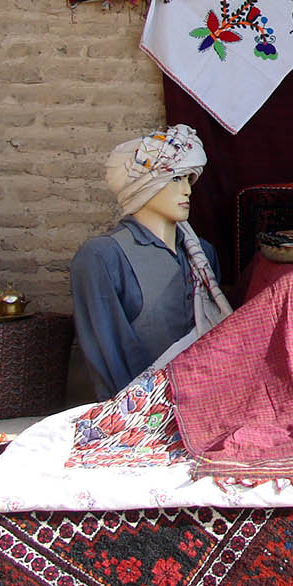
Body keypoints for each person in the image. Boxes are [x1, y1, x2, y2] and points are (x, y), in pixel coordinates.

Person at [71, 124, 233, 399]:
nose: (187, 191)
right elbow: (106, 349)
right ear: (143, 186)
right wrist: (136, 413)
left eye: (188, 179)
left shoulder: (202, 254)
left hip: (202, 398)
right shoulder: (103, 256)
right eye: (174, 179)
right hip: (135, 407)